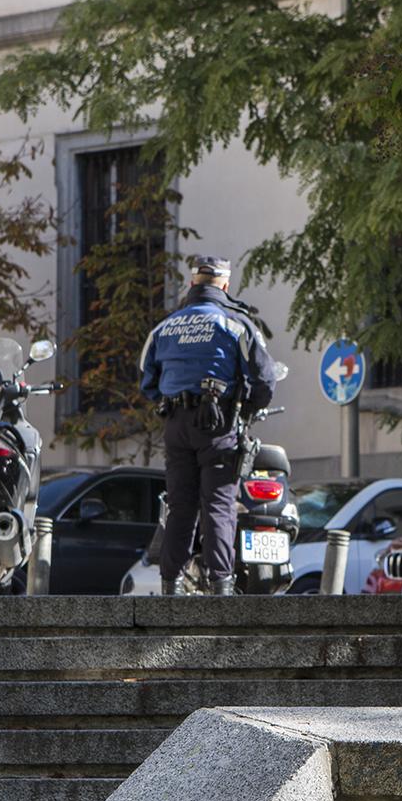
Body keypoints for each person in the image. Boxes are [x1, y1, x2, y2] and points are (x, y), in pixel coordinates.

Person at [138, 254, 279, 596]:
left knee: (180, 506)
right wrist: (247, 410)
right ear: (225, 285)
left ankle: (171, 585)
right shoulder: (236, 323)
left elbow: (147, 381)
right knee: (218, 503)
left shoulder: (164, 328)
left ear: (192, 283)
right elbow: (265, 379)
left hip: (176, 424)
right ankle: (220, 586)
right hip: (218, 424)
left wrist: (172, 402)